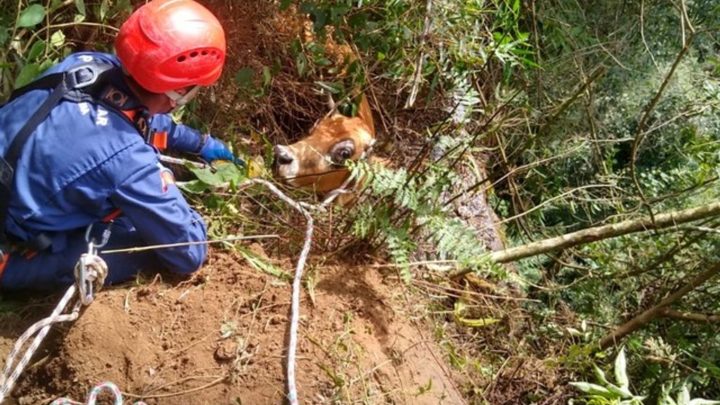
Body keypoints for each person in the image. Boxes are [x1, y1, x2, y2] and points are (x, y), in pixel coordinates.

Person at [0, 0, 239, 290]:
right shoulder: (127, 160)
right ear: (179, 91)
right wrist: (172, 193)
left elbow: (140, 117)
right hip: (10, 255)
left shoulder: (86, 66)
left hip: (13, 186)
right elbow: (189, 251)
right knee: (139, 241)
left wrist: (200, 143)